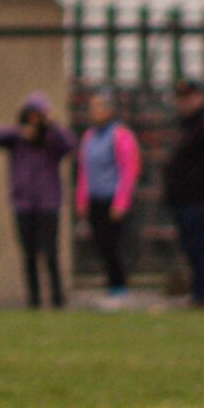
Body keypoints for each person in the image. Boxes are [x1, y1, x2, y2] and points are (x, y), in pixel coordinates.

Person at [0, 94, 74, 309]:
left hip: (48, 203)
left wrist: (52, 124)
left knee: (50, 253)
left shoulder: (52, 139)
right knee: (29, 255)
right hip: (23, 203)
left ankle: (57, 298)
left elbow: (70, 144)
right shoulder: (17, 140)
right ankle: (33, 300)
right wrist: (20, 131)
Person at [163, 79, 204, 310]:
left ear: (200, 97)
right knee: (192, 249)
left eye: (189, 97)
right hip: (183, 200)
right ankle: (198, 293)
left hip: (200, 200)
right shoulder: (186, 125)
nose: (185, 102)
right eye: (181, 98)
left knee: (203, 249)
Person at [76, 89, 141, 306]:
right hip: (95, 200)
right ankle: (111, 287)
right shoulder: (89, 137)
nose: (94, 111)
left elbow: (128, 171)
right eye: (92, 107)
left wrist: (121, 201)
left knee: (115, 246)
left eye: (99, 106)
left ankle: (120, 289)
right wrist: (82, 199)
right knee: (101, 245)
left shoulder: (121, 135)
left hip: (113, 199)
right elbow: (85, 171)